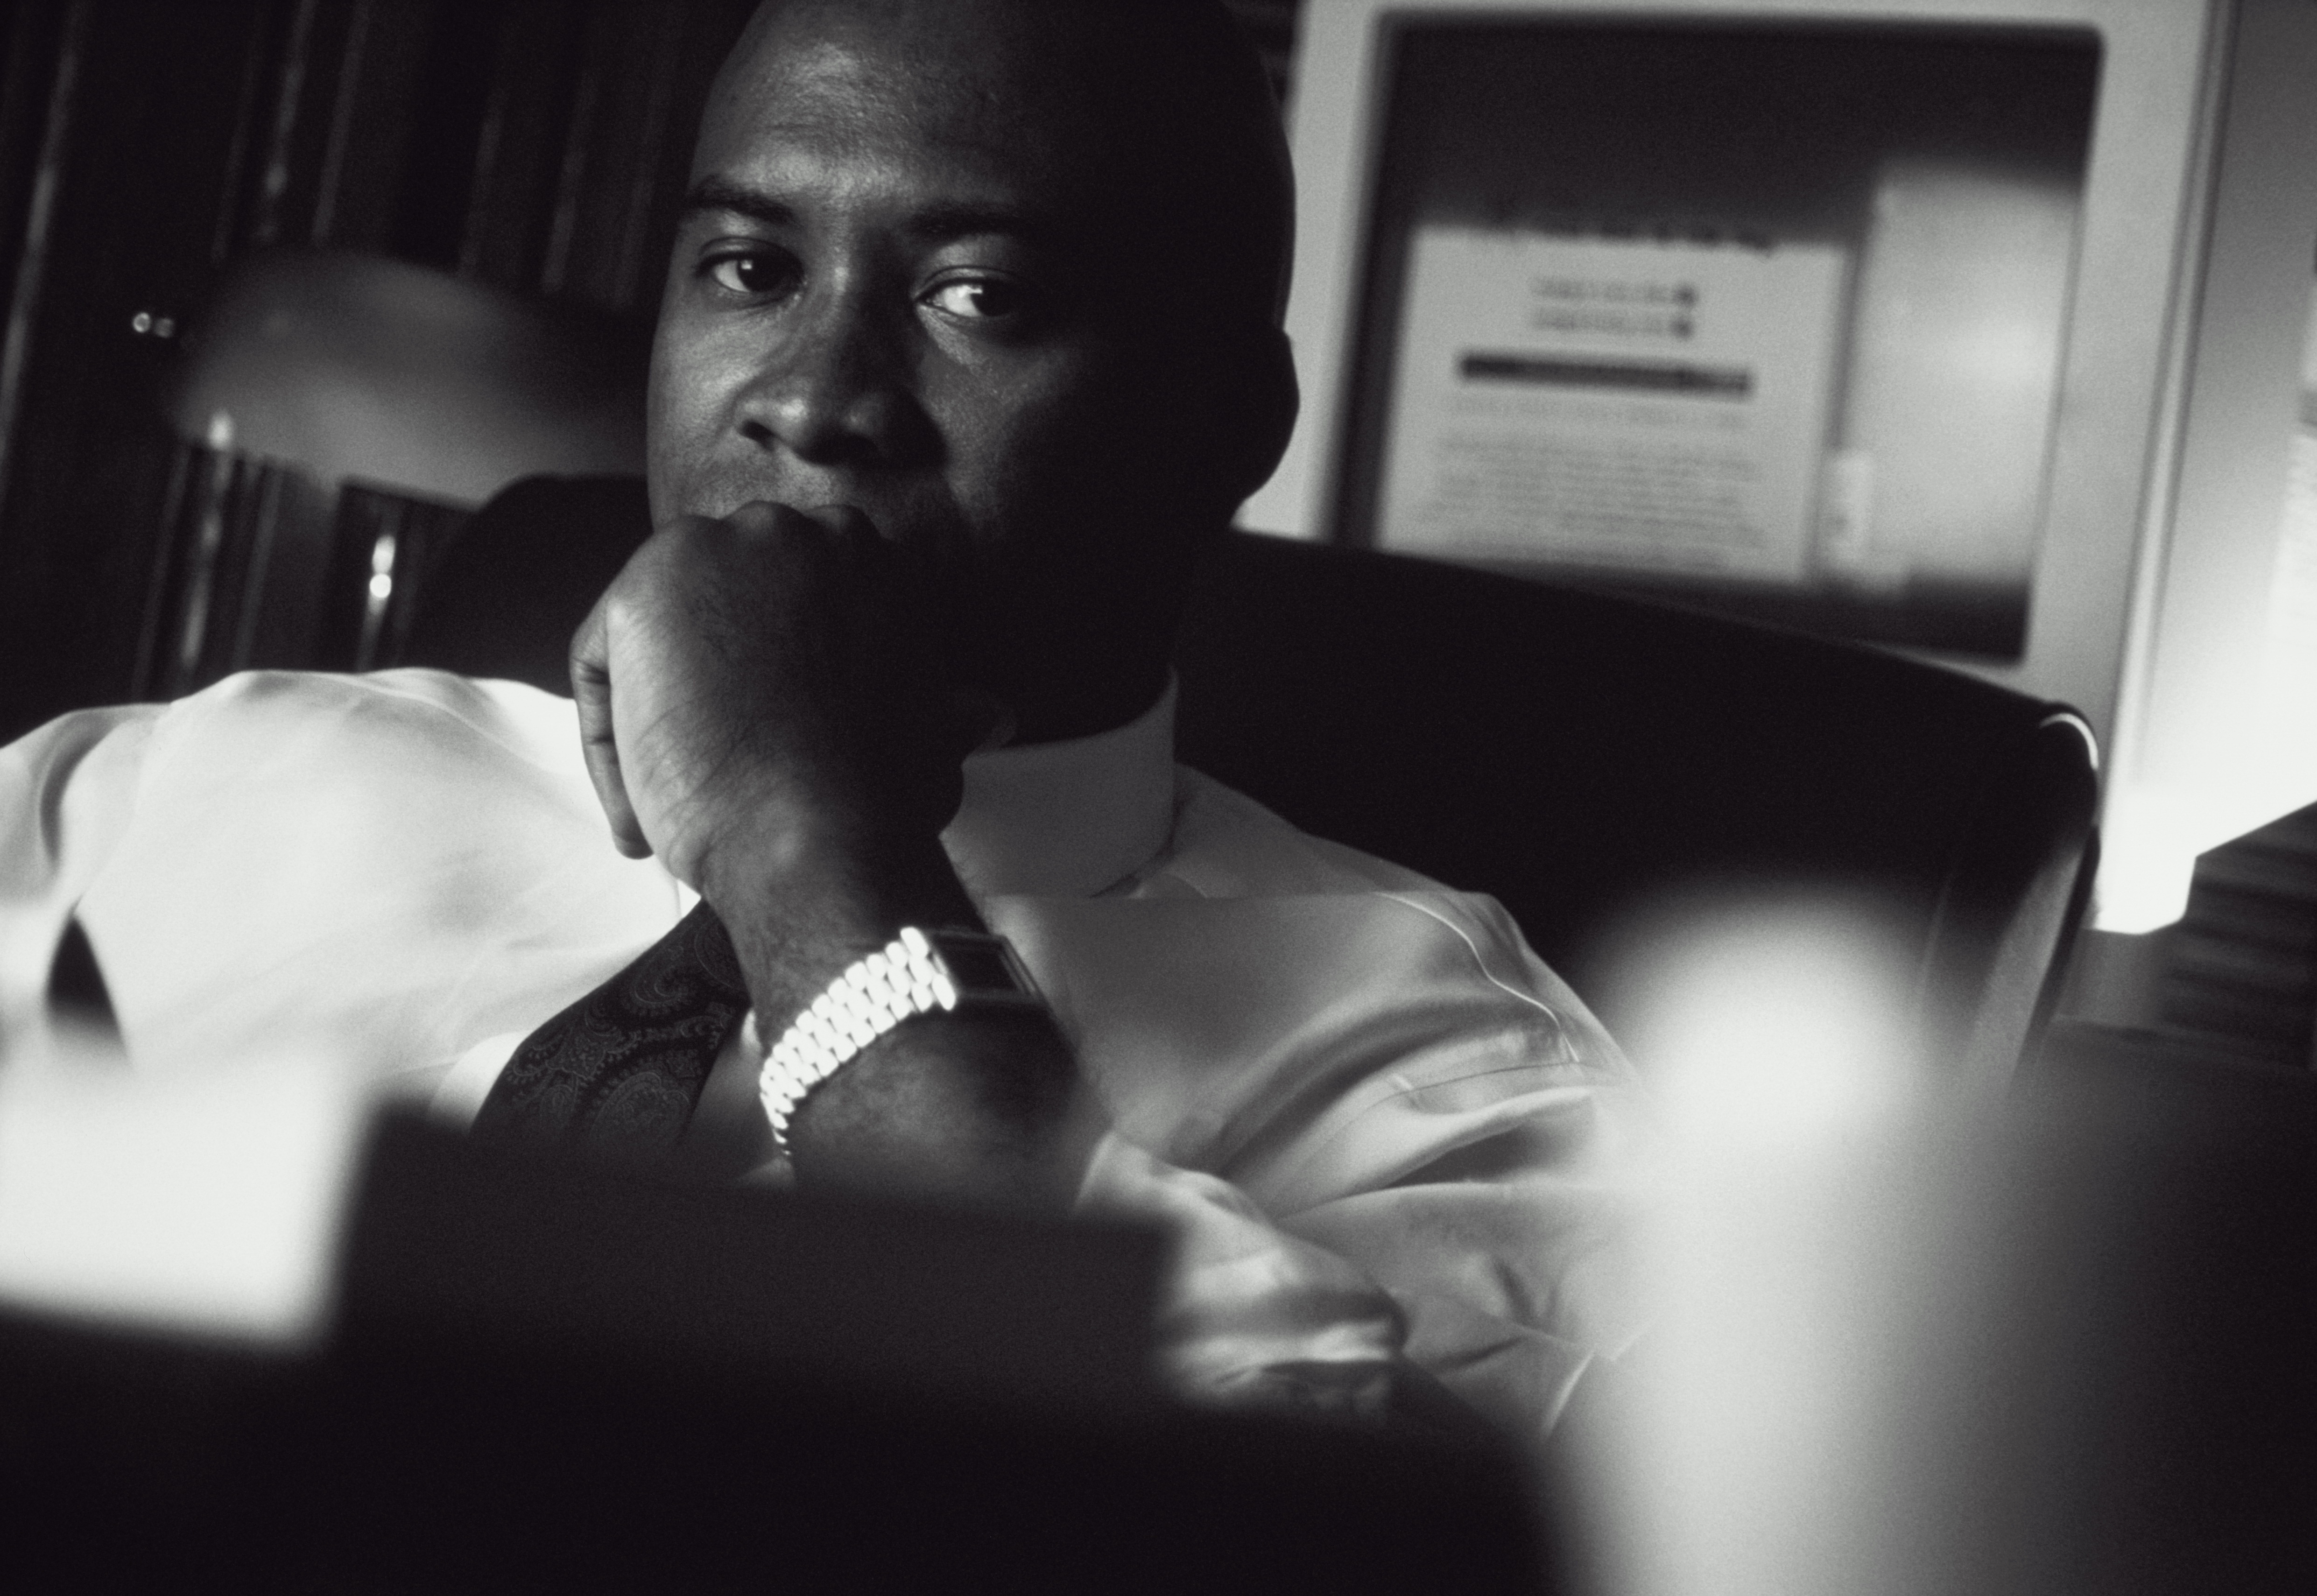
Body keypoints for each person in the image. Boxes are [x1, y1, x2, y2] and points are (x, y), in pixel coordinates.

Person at [0, 0, 1648, 1436]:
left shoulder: (1458, 1084)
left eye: (977, 296)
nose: (811, 393)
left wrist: (803, 849)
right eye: (749, 267)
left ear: (1233, 418)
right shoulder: (192, 784)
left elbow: (1244, 1520)